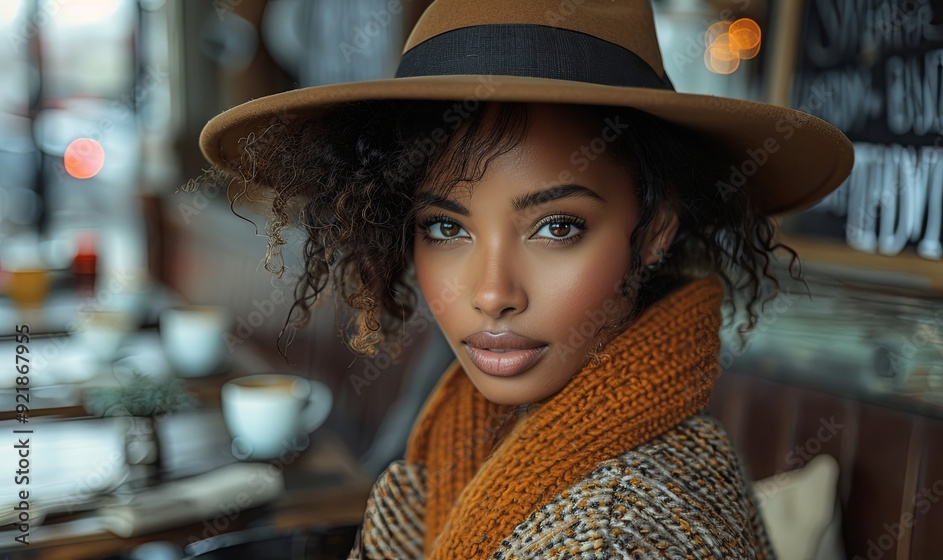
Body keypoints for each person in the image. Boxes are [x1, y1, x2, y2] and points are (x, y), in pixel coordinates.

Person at [191, 0, 853, 558]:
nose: (492, 292)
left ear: (653, 227)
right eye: (446, 229)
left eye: (557, 227)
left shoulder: (612, 531)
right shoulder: (473, 434)